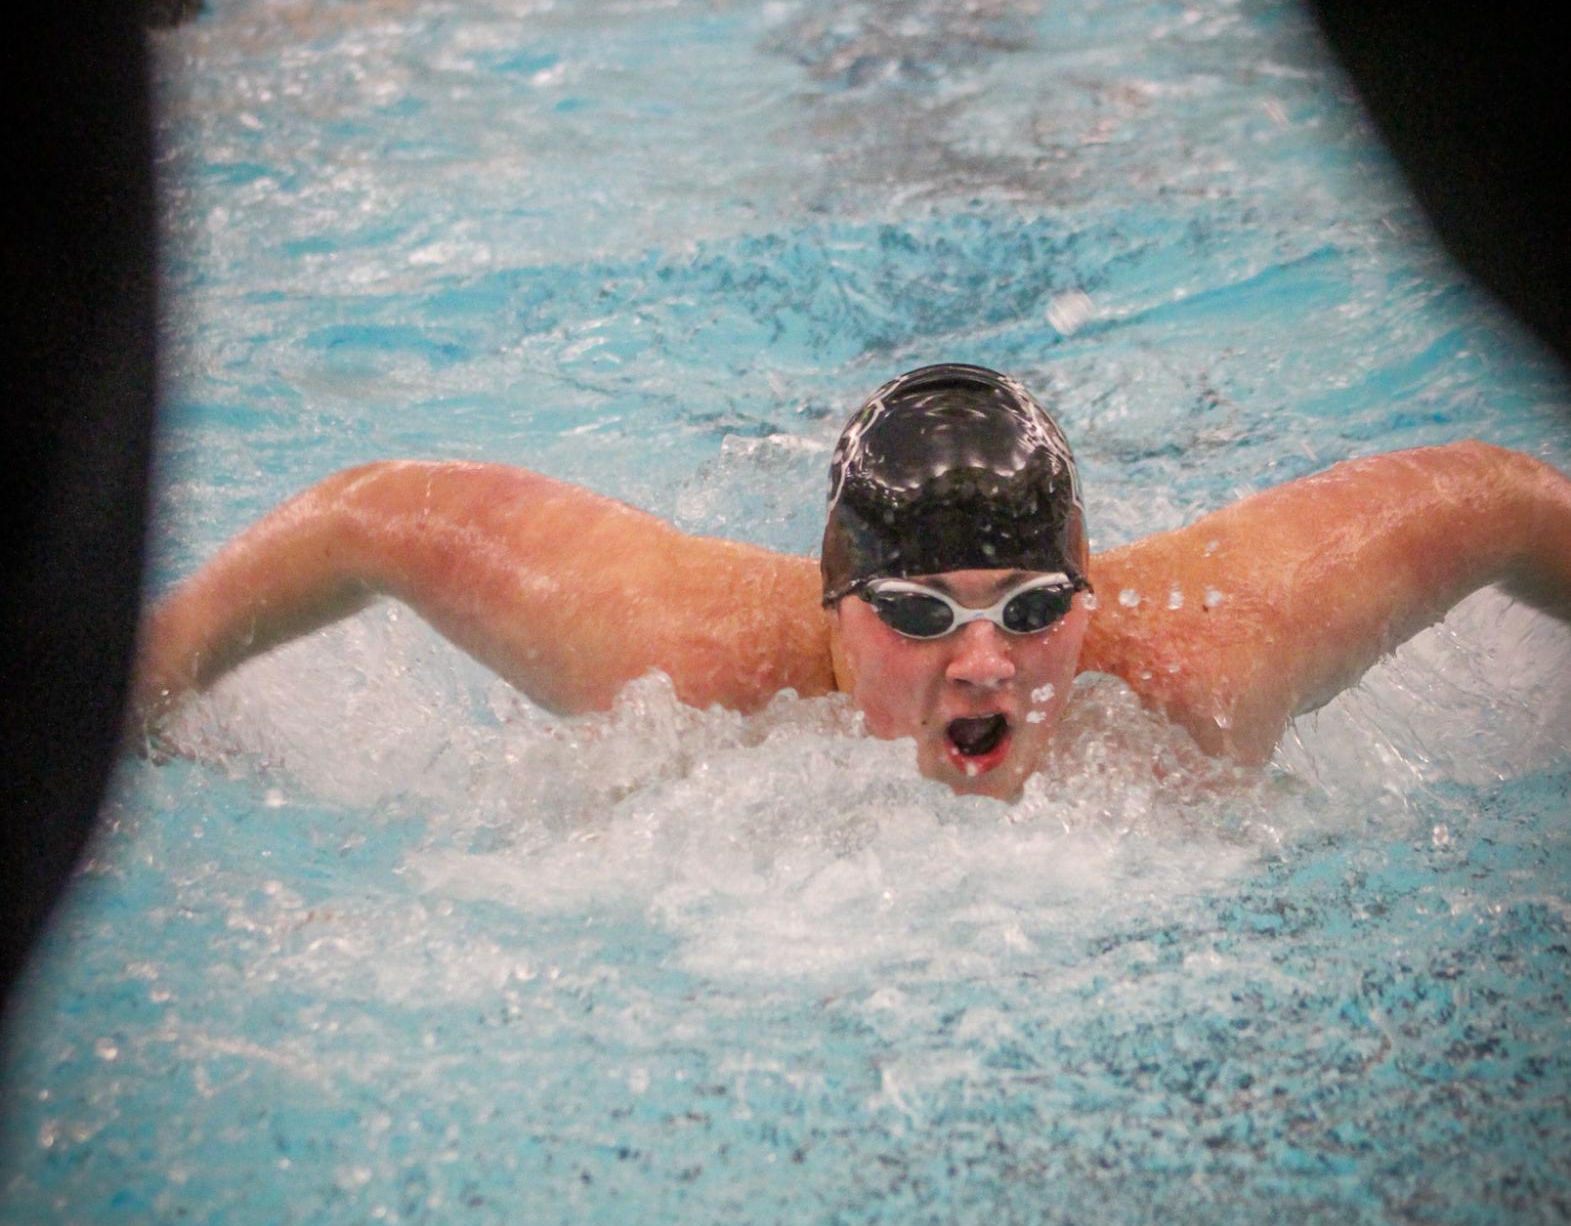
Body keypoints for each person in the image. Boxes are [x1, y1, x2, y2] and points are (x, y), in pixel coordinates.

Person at [135, 364, 1571, 801]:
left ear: (1087, 592)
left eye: (1029, 608)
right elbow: (376, 514)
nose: (987, 666)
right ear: (836, 613)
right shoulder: (682, 659)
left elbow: (1504, 502)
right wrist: (126, 678)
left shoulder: (1207, 656)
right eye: (919, 615)